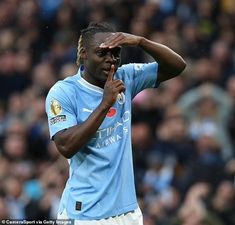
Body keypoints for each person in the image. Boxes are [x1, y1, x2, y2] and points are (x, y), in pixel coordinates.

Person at [45, 22, 186, 225]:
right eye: (102, 53)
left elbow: (177, 66)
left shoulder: (126, 77)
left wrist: (141, 41)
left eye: (116, 53)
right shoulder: (63, 92)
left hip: (128, 212)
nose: (111, 60)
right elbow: (66, 146)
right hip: (85, 213)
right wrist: (105, 103)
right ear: (84, 54)